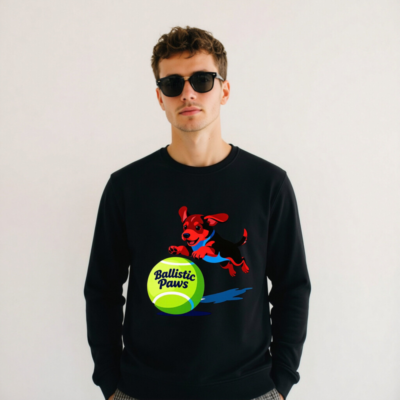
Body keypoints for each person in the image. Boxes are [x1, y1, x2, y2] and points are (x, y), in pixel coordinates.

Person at [84, 25, 311, 400]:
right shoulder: (126, 187)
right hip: (142, 390)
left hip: (249, 389)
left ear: (224, 90)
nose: (187, 93)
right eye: (172, 84)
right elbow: (102, 290)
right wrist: (109, 382)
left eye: (202, 80)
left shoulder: (268, 184)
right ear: (160, 97)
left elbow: (293, 287)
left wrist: (282, 380)